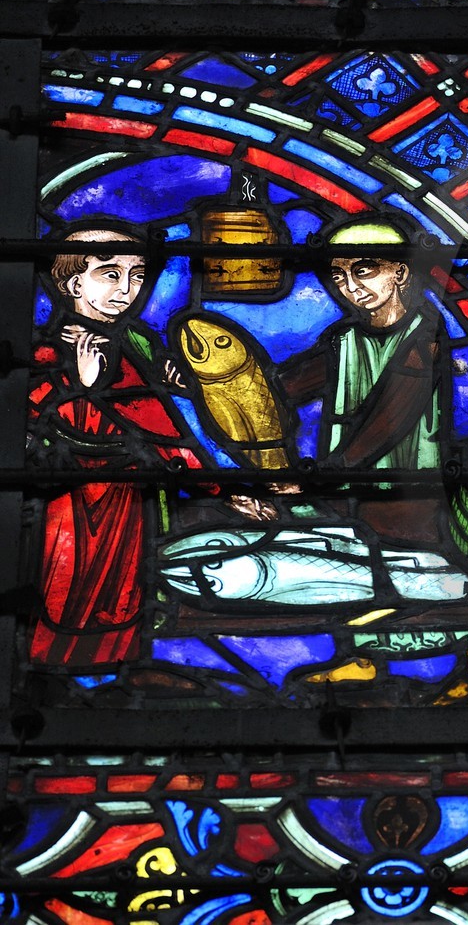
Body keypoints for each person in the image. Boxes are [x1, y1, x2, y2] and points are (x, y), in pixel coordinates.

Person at [29, 226, 272, 670]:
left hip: (132, 494)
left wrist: (173, 390)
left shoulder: (137, 340)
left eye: (137, 275)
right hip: (73, 504)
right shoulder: (45, 353)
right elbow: (38, 428)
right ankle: (61, 676)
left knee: (124, 596)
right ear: (73, 284)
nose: (127, 289)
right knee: (70, 595)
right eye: (109, 274)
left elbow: (160, 422)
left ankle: (114, 674)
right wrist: (82, 391)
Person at [280, 219, 446, 541]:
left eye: (364, 271)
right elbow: (280, 387)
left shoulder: (425, 339)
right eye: (339, 276)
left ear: (400, 273)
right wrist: (203, 381)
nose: (351, 288)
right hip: (343, 498)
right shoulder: (343, 339)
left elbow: (389, 419)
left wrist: (322, 476)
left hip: (405, 501)